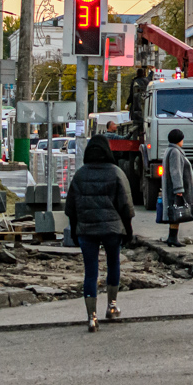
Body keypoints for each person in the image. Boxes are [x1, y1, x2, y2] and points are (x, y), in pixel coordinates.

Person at [65, 135, 136, 333]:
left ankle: (91, 318)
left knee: (90, 271)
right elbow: (125, 206)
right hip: (112, 229)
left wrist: (75, 230)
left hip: (86, 230)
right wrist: (128, 230)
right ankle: (112, 306)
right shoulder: (116, 172)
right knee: (113, 263)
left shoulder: (80, 175)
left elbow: (71, 208)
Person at [162, 128, 193, 247]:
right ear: (178, 140)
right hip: (175, 188)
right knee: (177, 212)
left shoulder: (170, 150)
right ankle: (173, 238)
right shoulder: (175, 152)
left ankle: (172, 237)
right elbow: (175, 171)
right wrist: (179, 188)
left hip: (172, 187)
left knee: (175, 212)